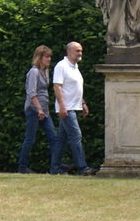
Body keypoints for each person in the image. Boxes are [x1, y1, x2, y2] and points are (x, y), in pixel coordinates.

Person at [51, 41, 95, 175]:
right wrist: (62, 106)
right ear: (69, 52)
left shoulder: (75, 67)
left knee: (61, 140)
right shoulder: (61, 66)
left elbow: (76, 88)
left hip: (72, 107)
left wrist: (82, 103)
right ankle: (82, 168)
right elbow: (57, 86)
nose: (80, 53)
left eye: (81, 51)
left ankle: (55, 168)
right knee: (76, 136)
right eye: (77, 51)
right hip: (67, 109)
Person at [18, 44, 59, 174]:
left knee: (53, 138)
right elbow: (31, 92)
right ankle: (22, 167)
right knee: (30, 139)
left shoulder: (46, 72)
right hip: (33, 109)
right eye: (46, 57)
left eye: (50, 57)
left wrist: (43, 110)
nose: (49, 59)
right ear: (39, 58)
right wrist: (39, 109)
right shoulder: (34, 72)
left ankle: (55, 166)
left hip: (44, 110)